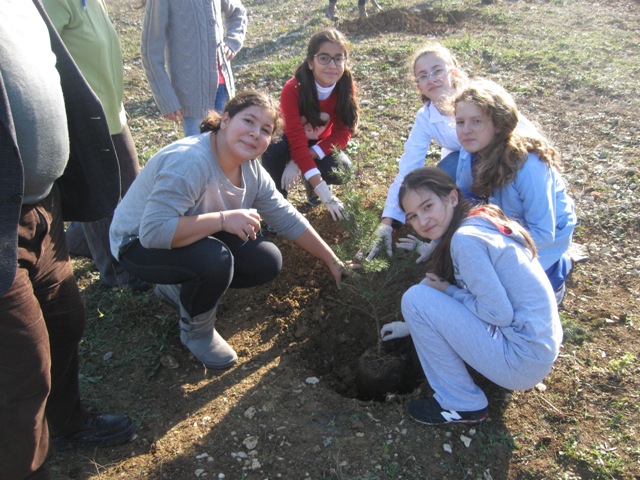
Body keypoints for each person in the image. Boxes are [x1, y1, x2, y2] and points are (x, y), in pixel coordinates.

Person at [109, 91, 346, 370]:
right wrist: (223, 219)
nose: (255, 133)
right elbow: (152, 233)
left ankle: (175, 289)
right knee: (214, 259)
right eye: (248, 121)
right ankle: (197, 332)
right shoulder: (190, 162)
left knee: (266, 259)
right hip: (136, 244)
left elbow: (287, 217)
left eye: (265, 130)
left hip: (187, 237)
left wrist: (332, 260)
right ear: (225, 120)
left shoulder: (251, 170)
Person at [0, 1, 134, 478]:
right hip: (3, 226)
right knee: (22, 369)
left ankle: (67, 422)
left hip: (44, 207)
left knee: (64, 320)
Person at [380, 167, 563, 426]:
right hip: (539, 344)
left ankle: (461, 403)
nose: (422, 220)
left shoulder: (465, 241)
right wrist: (410, 326)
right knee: (426, 291)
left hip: (522, 360)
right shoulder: (478, 220)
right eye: (412, 216)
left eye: (428, 206)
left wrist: (449, 292)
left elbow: (497, 313)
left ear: (452, 198)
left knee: (415, 299)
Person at [43, 0, 147, 290]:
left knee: (132, 189)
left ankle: (80, 239)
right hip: (83, 116)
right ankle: (118, 272)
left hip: (112, 109)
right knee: (101, 199)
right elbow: (44, 55)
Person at [453, 79, 576, 303]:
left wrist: (494, 253)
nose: (466, 130)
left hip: (542, 235)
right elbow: (466, 198)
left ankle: (557, 273)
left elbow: (543, 233)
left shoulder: (528, 166)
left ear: (499, 124)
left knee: (520, 296)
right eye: (460, 122)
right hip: (504, 223)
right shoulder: (469, 152)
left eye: (476, 121)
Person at [366, 42, 468, 259]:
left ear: (454, 73)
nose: (431, 79)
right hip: (467, 167)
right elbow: (408, 170)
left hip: (501, 164)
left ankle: (451, 240)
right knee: (442, 174)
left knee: (449, 169)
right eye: (423, 75)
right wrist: (387, 223)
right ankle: (445, 237)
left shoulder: (474, 100)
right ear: (418, 86)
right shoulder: (426, 117)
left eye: (438, 70)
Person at [261, 27, 359, 221]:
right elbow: (296, 140)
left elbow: (342, 133)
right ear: (311, 62)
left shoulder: (345, 86)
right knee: (272, 148)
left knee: (343, 169)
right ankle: (278, 207)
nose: (332, 65)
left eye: (338, 58)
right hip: (288, 142)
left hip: (316, 144)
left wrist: (300, 162)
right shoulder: (293, 89)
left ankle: (311, 185)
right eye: (324, 58)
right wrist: (326, 194)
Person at [141, 0, 248, 137]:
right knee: (199, 152)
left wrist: (233, 41)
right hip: (192, 99)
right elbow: (150, 52)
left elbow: (238, 12)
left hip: (224, 89)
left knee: (228, 148)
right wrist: (166, 98)